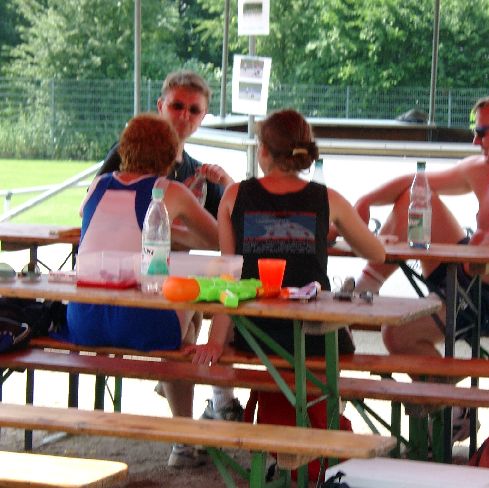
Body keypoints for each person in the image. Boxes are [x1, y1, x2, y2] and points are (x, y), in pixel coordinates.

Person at [353, 94, 489, 438]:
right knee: (416, 197)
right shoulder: (478, 167)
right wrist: (366, 201)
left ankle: (452, 406)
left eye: (482, 132)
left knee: (397, 333)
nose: (475, 141)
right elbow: (415, 182)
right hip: (461, 273)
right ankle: (364, 290)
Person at [191, 109, 385, 417]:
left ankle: (223, 403)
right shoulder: (327, 198)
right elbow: (376, 254)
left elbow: (229, 276)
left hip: (254, 333)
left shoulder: (233, 195)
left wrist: (215, 341)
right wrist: (332, 231)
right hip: (314, 334)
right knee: (334, 343)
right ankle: (325, 416)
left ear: (263, 151)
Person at [55, 113, 219, 468]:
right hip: (143, 324)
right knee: (191, 304)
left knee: (185, 322)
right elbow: (219, 239)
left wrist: (168, 230)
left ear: (124, 149)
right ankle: (183, 432)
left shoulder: (98, 186)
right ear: (172, 154)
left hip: (83, 320)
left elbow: (95, 220)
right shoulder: (170, 190)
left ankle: (178, 408)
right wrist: (179, 225)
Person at [97, 70, 233, 224]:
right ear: (160, 106)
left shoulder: (202, 177)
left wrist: (228, 184)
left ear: (203, 116)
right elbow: (93, 207)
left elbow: (235, 225)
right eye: (177, 106)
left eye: (194, 110)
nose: (185, 115)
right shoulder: (131, 151)